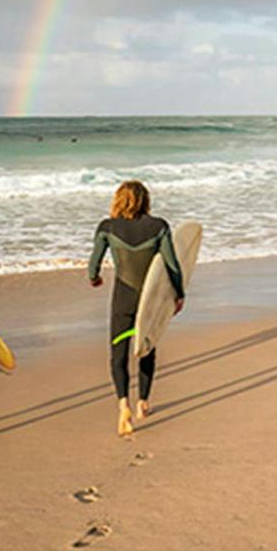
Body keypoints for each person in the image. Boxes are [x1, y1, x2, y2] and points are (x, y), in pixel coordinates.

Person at [88, 181, 183, 437]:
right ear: (145, 200)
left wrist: (94, 278)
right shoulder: (159, 226)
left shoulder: (107, 227)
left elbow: (93, 264)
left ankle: (123, 406)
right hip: (150, 298)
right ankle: (143, 402)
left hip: (124, 297)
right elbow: (172, 264)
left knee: (118, 353)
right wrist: (179, 294)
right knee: (146, 347)